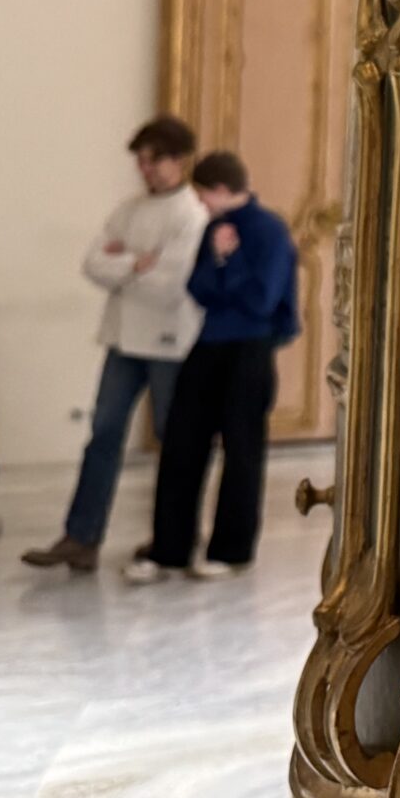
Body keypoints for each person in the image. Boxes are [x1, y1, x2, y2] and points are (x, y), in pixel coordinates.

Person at [22, 116, 210, 572]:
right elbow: (92, 263)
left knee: (175, 441)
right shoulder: (128, 210)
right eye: (140, 161)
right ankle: (81, 537)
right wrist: (137, 264)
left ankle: (177, 537)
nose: (145, 170)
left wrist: (125, 266)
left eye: (153, 161)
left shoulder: (192, 215)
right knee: (103, 436)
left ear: (179, 160)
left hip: (169, 342)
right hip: (123, 340)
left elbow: (171, 284)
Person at [127, 151, 297, 582]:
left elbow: (262, 300)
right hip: (207, 344)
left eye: (202, 194)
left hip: (250, 348)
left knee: (242, 450)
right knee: (181, 444)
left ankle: (231, 550)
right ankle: (169, 549)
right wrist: (220, 265)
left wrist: (229, 262)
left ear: (221, 190)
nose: (200, 203)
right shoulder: (214, 228)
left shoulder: (270, 231)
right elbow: (198, 287)